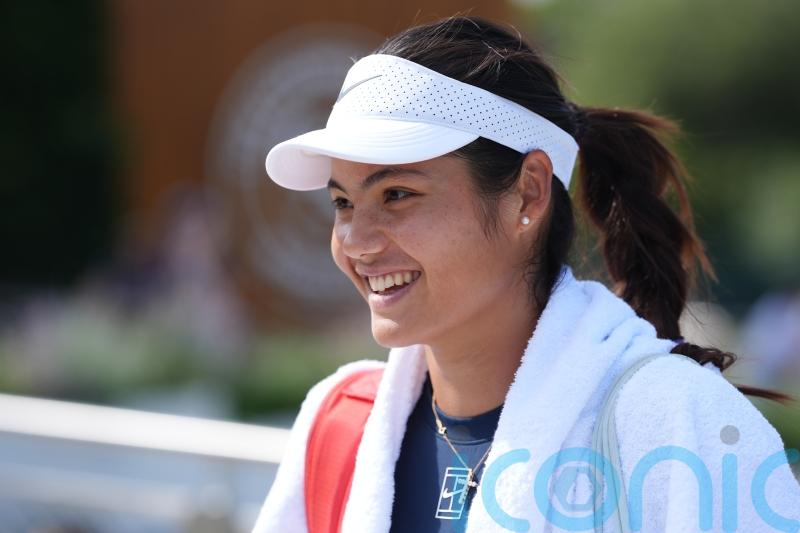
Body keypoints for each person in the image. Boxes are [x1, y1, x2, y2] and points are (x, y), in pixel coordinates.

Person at [252, 16, 800, 533]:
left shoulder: (675, 422)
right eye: (343, 203)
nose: (356, 242)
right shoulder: (339, 425)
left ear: (530, 192)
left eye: (397, 194)